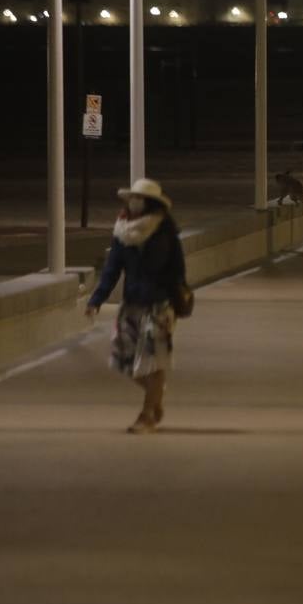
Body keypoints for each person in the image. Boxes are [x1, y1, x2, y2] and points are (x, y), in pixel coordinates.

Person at [85, 179, 188, 434]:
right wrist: (96, 299)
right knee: (124, 360)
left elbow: (178, 268)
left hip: (160, 304)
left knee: (154, 360)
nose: (133, 203)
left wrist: (177, 299)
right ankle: (156, 396)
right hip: (131, 304)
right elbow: (112, 269)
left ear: (149, 203)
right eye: (131, 198)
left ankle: (147, 414)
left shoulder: (165, 230)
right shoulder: (122, 231)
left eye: (138, 199)